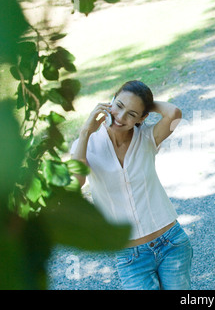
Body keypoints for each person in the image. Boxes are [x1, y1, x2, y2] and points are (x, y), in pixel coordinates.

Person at [70, 80, 192, 290]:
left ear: (142, 118)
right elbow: (75, 182)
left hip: (171, 243)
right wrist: (84, 132)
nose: (120, 117)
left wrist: (145, 103)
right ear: (110, 101)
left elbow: (174, 114)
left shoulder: (147, 137)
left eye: (132, 114)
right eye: (118, 105)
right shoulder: (87, 144)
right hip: (130, 256)